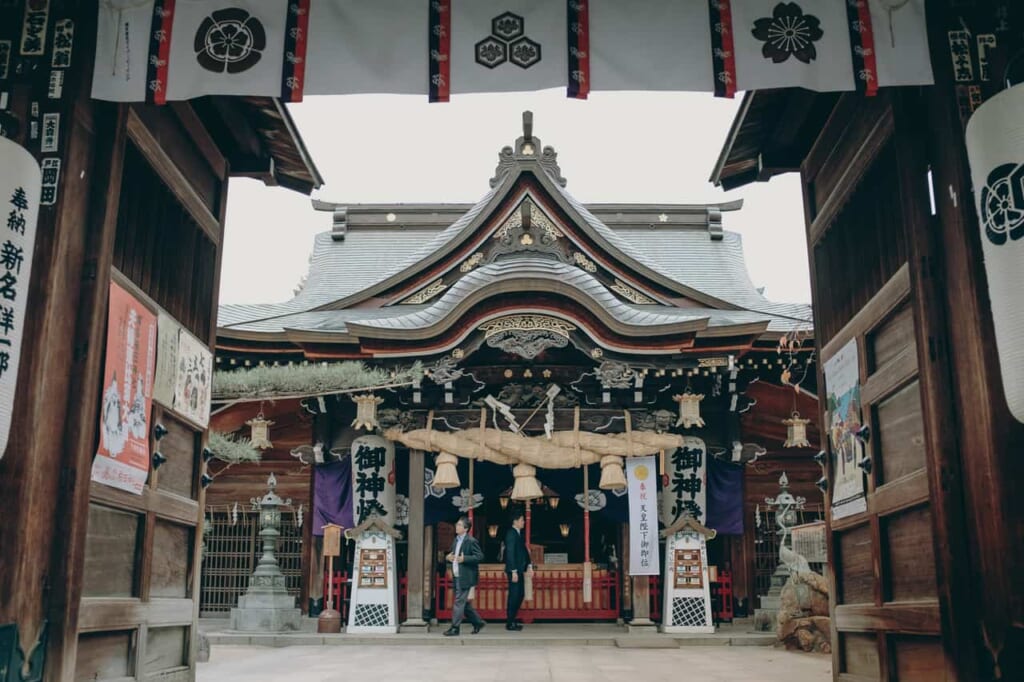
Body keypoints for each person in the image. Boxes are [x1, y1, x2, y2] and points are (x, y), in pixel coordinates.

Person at [443, 515, 486, 636]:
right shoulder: (456, 540)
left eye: (459, 525)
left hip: (466, 576)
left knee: (458, 602)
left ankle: (455, 628)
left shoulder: (471, 541)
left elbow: (480, 556)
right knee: (463, 603)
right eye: (457, 524)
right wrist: (448, 557)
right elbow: (452, 554)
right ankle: (477, 622)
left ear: (466, 528)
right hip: (457, 574)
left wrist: (465, 559)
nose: (456, 527)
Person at [503, 508, 533, 631]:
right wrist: (513, 570)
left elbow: (524, 551)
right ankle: (510, 622)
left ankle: (512, 619)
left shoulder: (517, 534)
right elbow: (510, 553)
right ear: (515, 521)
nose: (523, 522)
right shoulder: (511, 533)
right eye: (521, 520)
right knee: (514, 595)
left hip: (520, 570)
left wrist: (529, 565)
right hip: (514, 570)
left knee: (520, 594)